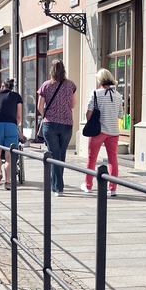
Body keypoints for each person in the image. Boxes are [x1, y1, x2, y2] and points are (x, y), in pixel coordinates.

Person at [37, 60, 77, 195]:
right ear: (63, 70)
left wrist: (46, 116)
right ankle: (57, 185)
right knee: (61, 154)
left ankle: (57, 187)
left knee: (54, 155)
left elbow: (39, 106)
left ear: (51, 71)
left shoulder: (46, 85)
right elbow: (73, 104)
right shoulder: (70, 85)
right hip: (67, 124)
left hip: (50, 124)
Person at [82, 69, 122, 198]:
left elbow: (89, 113)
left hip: (98, 131)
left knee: (92, 158)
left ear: (99, 81)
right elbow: (120, 115)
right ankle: (112, 188)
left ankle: (88, 186)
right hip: (114, 131)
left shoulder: (95, 93)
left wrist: (90, 121)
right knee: (112, 159)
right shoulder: (118, 95)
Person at [0, 79, 23, 188]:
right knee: (9, 155)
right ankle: (7, 182)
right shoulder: (16, 96)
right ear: (12, 88)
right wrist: (16, 127)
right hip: (11, 125)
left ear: (2, 87)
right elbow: (19, 116)